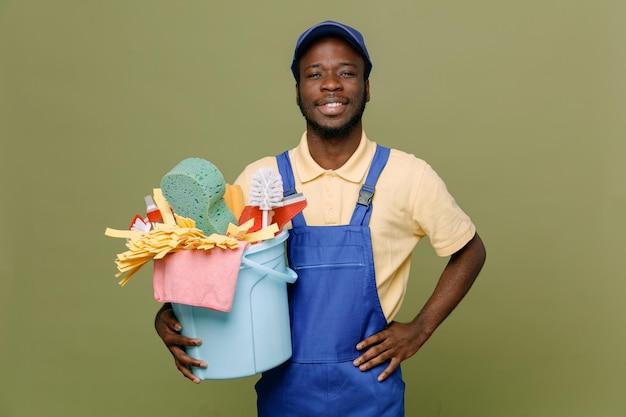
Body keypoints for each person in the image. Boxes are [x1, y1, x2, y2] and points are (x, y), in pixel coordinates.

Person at [155, 20, 486, 416]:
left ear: (367, 88)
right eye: (315, 74)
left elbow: (471, 251)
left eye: (347, 73)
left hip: (372, 392)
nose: (331, 85)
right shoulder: (263, 180)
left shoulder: (409, 176)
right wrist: (172, 314)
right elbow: (222, 267)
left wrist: (420, 328)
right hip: (286, 395)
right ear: (298, 91)